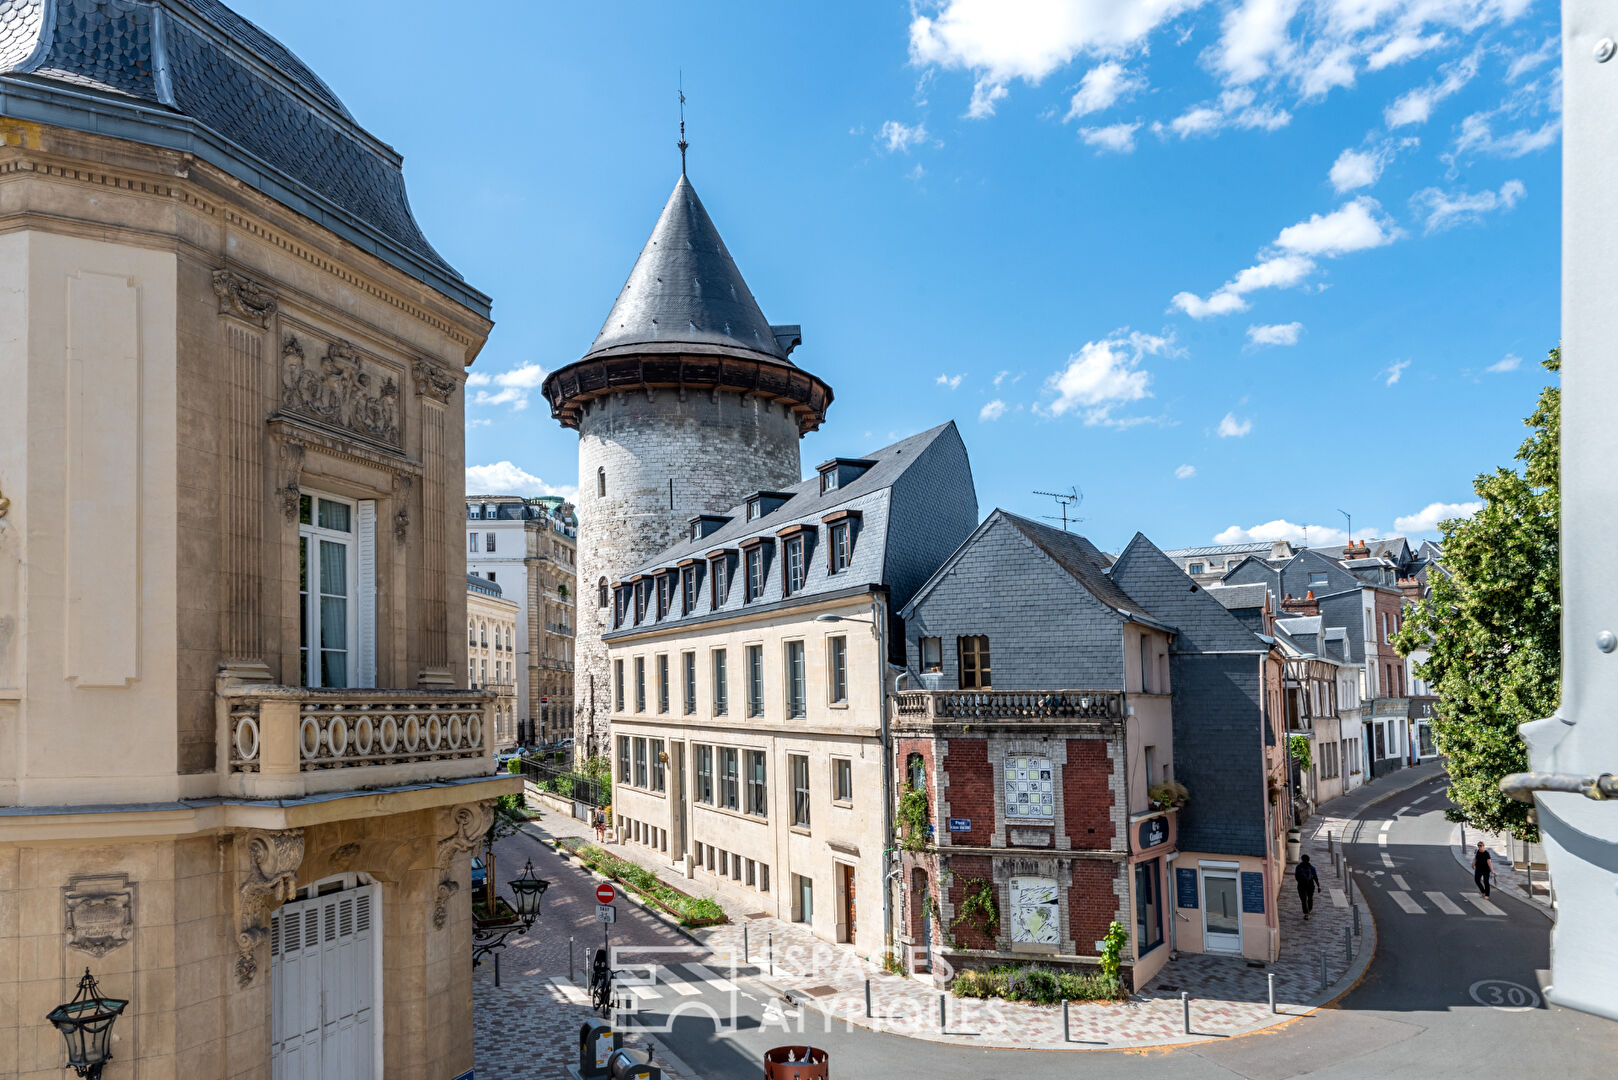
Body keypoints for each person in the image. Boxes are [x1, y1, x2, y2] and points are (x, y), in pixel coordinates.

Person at [1294, 853, 1320, 918]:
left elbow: (1296, 877)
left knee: (1303, 899)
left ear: (1302, 859)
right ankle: (1310, 909)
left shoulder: (1298, 867)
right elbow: (1315, 877)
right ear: (1309, 860)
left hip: (1301, 885)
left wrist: (1300, 882)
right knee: (1310, 898)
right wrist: (1319, 886)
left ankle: (1306, 913)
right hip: (1310, 885)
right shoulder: (1312, 868)